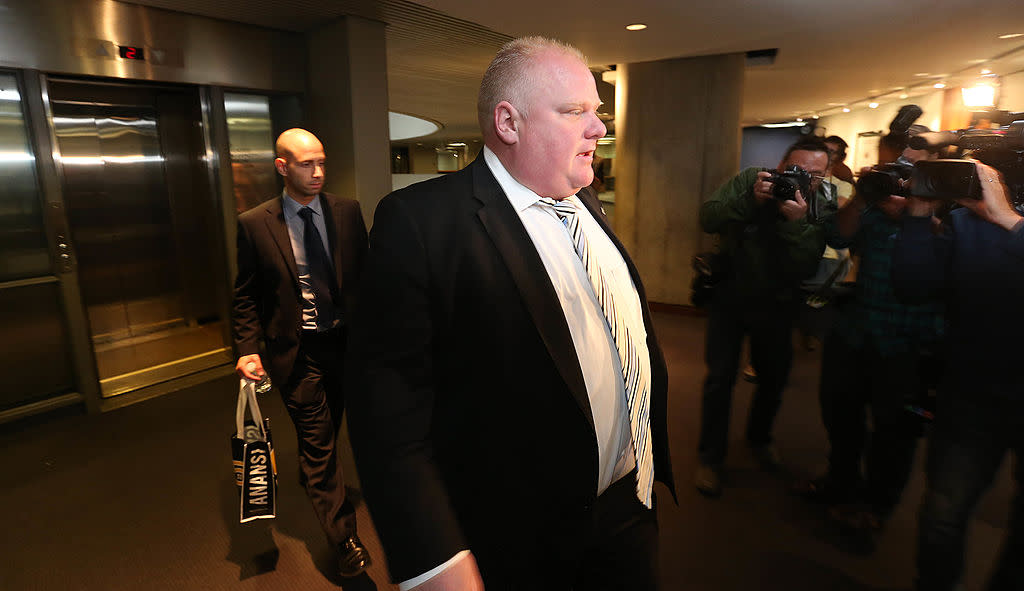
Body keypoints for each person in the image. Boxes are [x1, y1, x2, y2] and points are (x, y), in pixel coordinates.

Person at [346, 37, 675, 590]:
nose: (600, 129)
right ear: (509, 122)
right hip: (522, 534)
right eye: (575, 112)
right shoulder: (422, 223)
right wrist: (434, 558)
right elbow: (388, 413)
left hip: (628, 506)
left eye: (597, 112)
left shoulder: (587, 202)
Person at [232, 128, 371, 579]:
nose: (318, 172)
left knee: (336, 425)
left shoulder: (347, 212)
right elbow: (247, 294)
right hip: (296, 350)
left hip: (345, 343)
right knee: (319, 443)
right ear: (282, 167)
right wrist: (248, 349)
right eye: (307, 164)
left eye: (322, 162)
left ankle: (316, 477)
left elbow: (365, 280)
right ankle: (344, 539)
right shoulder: (255, 223)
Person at [793, 145, 944, 545]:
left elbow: (953, 260)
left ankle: (875, 506)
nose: (903, 184)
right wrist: (864, 198)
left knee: (894, 431)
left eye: (913, 176)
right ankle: (840, 479)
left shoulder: (949, 215)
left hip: (908, 340)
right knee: (839, 409)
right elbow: (835, 235)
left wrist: (919, 218)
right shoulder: (874, 211)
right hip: (856, 328)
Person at [892, 161, 1024, 591]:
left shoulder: (1001, 218)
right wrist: (917, 214)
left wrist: (1008, 221)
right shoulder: (966, 221)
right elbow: (912, 286)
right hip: (973, 390)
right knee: (942, 514)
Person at [695, 136, 838, 496]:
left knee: (774, 379)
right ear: (780, 167)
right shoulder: (751, 180)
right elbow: (708, 216)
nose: (804, 180)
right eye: (796, 171)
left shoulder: (821, 203)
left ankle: (760, 439)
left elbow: (806, 262)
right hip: (731, 297)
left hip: (779, 304)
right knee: (719, 381)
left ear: (826, 176)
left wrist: (795, 223)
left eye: (815, 175)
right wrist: (749, 199)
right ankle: (710, 458)